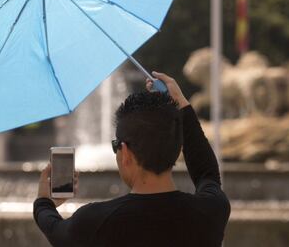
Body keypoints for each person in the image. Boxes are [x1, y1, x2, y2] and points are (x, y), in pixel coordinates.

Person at [34, 71, 231, 247]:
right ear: (179, 148)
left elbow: (54, 229)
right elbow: (208, 175)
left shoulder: (95, 222)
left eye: (116, 146)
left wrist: (44, 201)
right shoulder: (210, 212)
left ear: (125, 152)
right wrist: (182, 104)